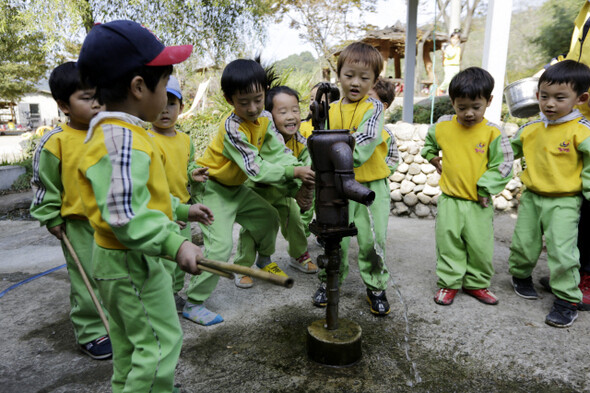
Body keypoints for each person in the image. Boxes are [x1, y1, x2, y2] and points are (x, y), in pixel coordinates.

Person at [76, 20, 213, 392]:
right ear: (139, 87)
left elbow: (137, 197)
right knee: (158, 344)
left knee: (131, 346)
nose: (167, 99)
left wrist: (182, 212)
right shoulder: (122, 140)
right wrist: (175, 243)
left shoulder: (119, 133)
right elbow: (126, 216)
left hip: (119, 262)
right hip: (130, 263)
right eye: (165, 84)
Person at [184, 59, 315, 325]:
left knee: (268, 217)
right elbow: (255, 168)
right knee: (221, 247)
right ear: (229, 99)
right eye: (244, 102)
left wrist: (299, 172)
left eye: (258, 99)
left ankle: (263, 259)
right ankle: (193, 302)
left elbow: (278, 152)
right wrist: (293, 173)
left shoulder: (264, 118)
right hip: (212, 188)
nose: (253, 108)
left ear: (265, 93)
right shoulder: (232, 128)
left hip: (235, 188)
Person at [29, 61, 111, 360]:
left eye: (99, 95)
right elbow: (43, 184)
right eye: (87, 97)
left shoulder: (108, 133)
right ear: (63, 104)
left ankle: (117, 320)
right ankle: (91, 331)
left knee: (117, 273)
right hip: (78, 225)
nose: (98, 103)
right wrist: (50, 216)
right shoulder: (55, 142)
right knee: (87, 276)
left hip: (112, 220)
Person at [311, 41, 392, 315]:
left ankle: (376, 286)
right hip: (336, 187)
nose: (355, 83)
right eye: (349, 76)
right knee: (335, 239)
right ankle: (329, 280)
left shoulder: (374, 108)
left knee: (373, 240)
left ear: (375, 80)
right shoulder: (329, 110)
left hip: (370, 186)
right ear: (338, 75)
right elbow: (310, 138)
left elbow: (366, 141)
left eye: (364, 78)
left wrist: (331, 151)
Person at [421, 67, 513, 307]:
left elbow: (503, 165)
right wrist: (432, 157)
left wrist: (485, 188)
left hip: (478, 203)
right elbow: (429, 145)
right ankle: (449, 283)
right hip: (450, 199)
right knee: (448, 243)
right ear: (452, 102)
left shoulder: (493, 133)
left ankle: (477, 283)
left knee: (481, 246)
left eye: (476, 106)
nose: (469, 113)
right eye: (462, 108)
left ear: (489, 101)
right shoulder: (442, 126)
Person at [508, 60, 590, 328]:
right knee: (524, 243)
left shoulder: (582, 130)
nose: (550, 104)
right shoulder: (530, 129)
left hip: (565, 201)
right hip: (531, 197)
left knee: (563, 251)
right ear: (537, 96)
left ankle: (567, 300)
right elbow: (505, 154)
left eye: (559, 98)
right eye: (544, 97)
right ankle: (520, 276)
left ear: (581, 99)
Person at [232, 86, 319, 288]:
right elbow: (262, 167)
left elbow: (307, 171)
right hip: (258, 191)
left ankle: (298, 256)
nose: (291, 117)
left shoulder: (302, 144)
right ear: (269, 116)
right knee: (254, 230)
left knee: (295, 221)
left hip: (284, 192)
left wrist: (305, 192)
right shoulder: (262, 139)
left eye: (295, 110)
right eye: (283, 112)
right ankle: (242, 266)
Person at [538, 2, 590, 310]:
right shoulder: (584, 12)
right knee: (576, 222)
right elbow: (574, 59)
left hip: (582, 124)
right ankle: (568, 276)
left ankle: (581, 281)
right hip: (578, 116)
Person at [147, 75, 201, 313]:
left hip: (184, 209)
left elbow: (187, 166)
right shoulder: (146, 140)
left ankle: (175, 294)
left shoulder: (186, 140)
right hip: (159, 212)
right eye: (160, 103)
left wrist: (193, 172)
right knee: (164, 262)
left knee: (181, 262)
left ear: (181, 107)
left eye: (172, 103)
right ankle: (162, 302)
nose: (165, 110)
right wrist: (163, 213)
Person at [369, 77, 400, 175]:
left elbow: (392, 160)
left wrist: (376, 174)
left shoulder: (385, 133)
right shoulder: (352, 127)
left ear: (383, 106)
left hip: (375, 187)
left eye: (369, 100)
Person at [437, 29, 462, 96]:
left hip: (456, 66)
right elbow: (450, 54)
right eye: (453, 38)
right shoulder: (449, 47)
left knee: (454, 81)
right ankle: (441, 89)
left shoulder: (458, 48)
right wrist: (444, 49)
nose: (454, 40)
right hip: (449, 66)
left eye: (456, 39)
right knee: (447, 80)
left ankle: (451, 93)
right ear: (450, 39)